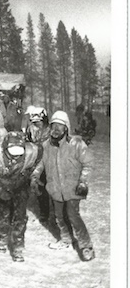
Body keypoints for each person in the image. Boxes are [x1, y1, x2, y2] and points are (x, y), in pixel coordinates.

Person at [31, 110, 95, 261]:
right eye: (54, 126)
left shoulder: (77, 143)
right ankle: (66, 239)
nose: (56, 130)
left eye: (60, 127)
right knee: (59, 216)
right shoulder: (46, 145)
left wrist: (83, 181)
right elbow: (40, 163)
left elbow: (89, 164)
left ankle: (86, 246)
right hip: (55, 188)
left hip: (73, 188)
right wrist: (34, 176)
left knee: (73, 215)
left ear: (66, 128)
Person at [0, 131, 42, 262]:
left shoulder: (32, 152)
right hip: (2, 185)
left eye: (19, 153)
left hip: (20, 186)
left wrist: (34, 178)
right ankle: (2, 239)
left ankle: (18, 248)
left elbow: (38, 164)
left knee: (20, 218)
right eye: (12, 152)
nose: (15, 157)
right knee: (3, 216)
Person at [24, 106, 52, 225]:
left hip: (50, 163)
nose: (37, 125)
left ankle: (56, 214)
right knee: (40, 189)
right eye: (35, 122)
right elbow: (28, 143)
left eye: (39, 122)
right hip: (37, 162)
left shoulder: (51, 130)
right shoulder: (30, 129)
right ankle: (44, 214)